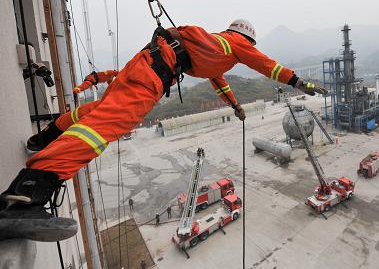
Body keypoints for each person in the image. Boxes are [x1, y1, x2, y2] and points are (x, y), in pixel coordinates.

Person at [0, 19, 327, 242]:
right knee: (102, 128)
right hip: (154, 74)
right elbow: (268, 65)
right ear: (248, 38)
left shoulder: (216, 46)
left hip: (143, 63)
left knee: (96, 111)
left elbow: (218, 79)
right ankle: (25, 196)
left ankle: (42, 139)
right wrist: (300, 83)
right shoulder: (239, 45)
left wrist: (235, 106)